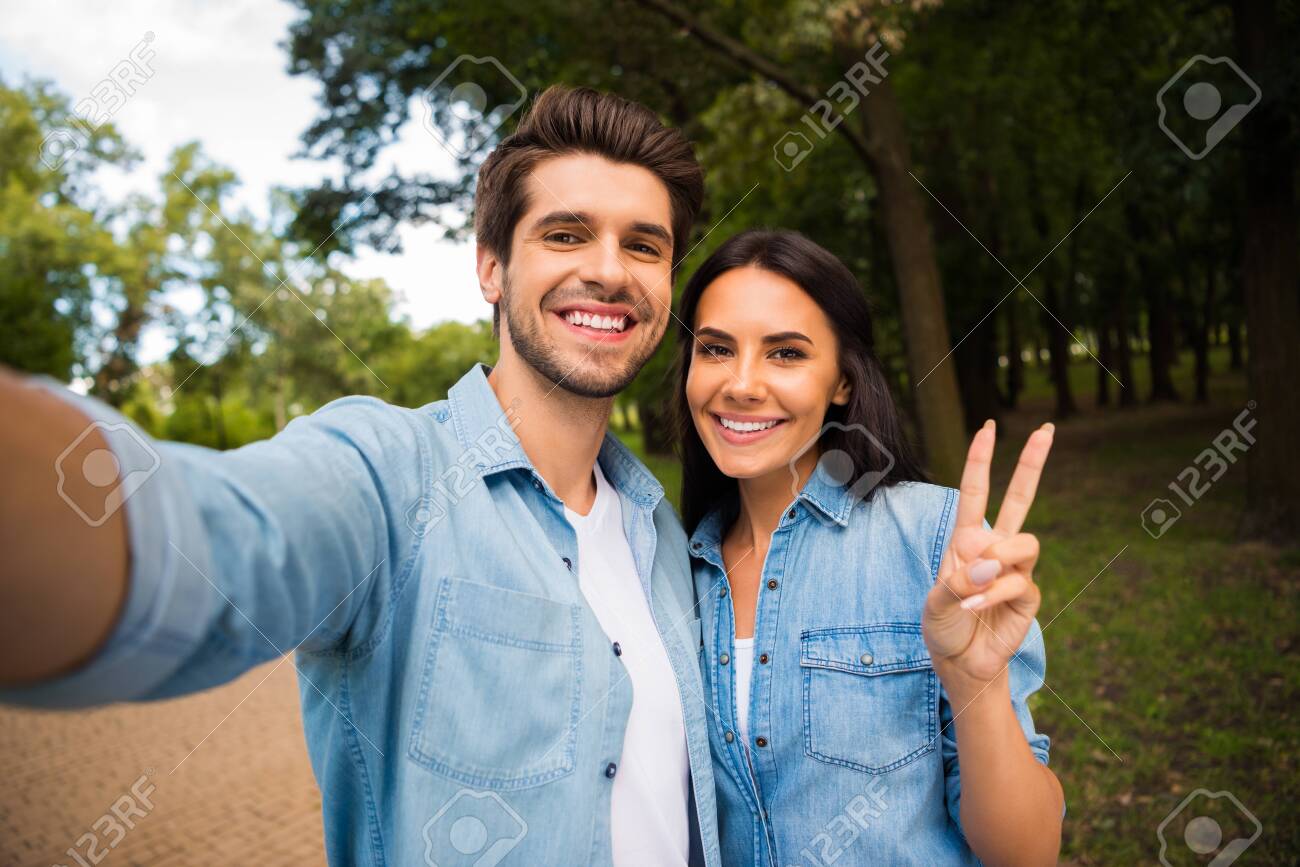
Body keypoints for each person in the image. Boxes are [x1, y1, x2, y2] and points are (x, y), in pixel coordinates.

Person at [0, 86, 723, 866]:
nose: (610, 272)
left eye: (644, 246)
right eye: (566, 233)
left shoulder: (667, 535)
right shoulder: (389, 472)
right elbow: (201, 539)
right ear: (491, 267)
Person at [673, 229, 1065, 866]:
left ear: (843, 383)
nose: (741, 384)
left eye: (786, 354)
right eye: (716, 348)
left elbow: (1028, 854)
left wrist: (977, 685)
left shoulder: (933, 541)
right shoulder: (669, 566)